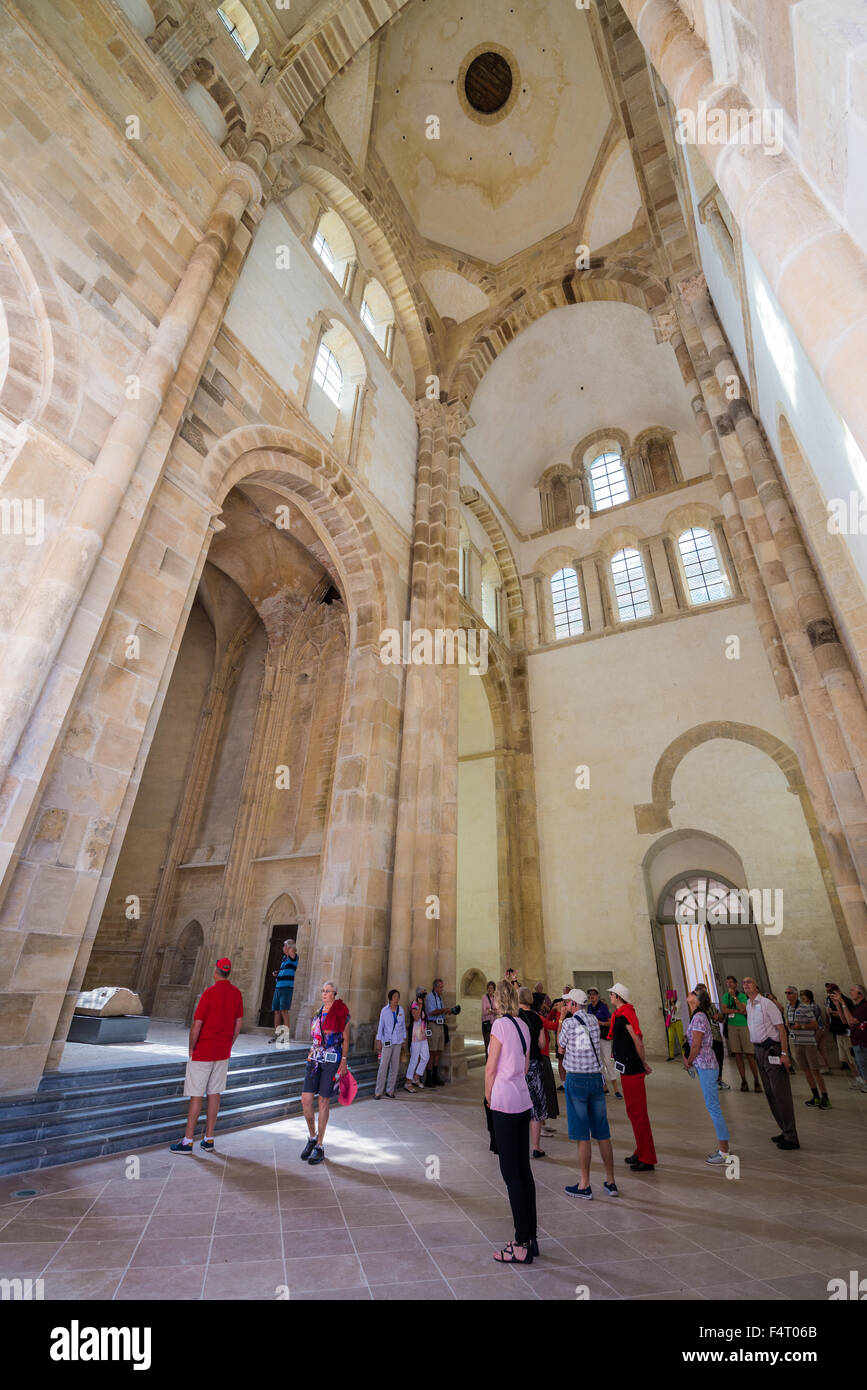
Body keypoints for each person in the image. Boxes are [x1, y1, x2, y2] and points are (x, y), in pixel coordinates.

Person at [485, 979, 537, 1265]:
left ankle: (519, 1244)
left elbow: (491, 1068)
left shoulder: (499, 1026)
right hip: (522, 1099)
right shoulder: (524, 1026)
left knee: (510, 1174)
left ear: (499, 1000)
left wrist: (487, 1097)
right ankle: (531, 1238)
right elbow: (526, 1065)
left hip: (504, 1102)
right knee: (524, 1171)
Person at [170, 957, 243, 1154]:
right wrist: (229, 1042)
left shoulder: (209, 993)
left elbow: (196, 1025)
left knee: (196, 1096)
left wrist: (191, 1048)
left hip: (203, 1051)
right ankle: (209, 1138)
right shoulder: (236, 993)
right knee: (214, 1094)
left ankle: (187, 1141)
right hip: (222, 1051)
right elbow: (238, 1022)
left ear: (215, 971)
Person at [558, 988, 618, 1198]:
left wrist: (562, 1019)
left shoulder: (569, 1023)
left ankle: (584, 1184)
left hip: (577, 1080)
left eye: (567, 1003)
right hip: (595, 1078)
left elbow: (561, 1046)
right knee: (602, 1132)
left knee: (582, 1134)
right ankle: (611, 1181)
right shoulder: (592, 1020)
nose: (565, 1006)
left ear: (574, 1005)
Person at [744, 976, 799, 1149]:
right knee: (770, 1092)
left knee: (781, 1093)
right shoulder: (748, 1005)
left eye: (749, 982)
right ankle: (784, 1130)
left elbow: (781, 1029)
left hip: (772, 1050)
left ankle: (792, 1136)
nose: (746, 985)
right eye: (744, 983)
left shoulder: (767, 1004)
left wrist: (785, 1053)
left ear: (757, 986)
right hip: (759, 1050)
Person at [300, 981, 350, 1165]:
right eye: (323, 991)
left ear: (335, 993)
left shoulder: (342, 1012)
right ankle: (312, 1137)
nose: (324, 993)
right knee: (306, 1099)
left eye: (328, 991)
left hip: (332, 1058)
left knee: (323, 1100)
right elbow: (314, 1037)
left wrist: (344, 1060)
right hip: (314, 1059)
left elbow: (345, 1039)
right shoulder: (317, 1013)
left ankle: (320, 1145)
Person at [609, 983, 657, 1172]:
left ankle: (648, 1157)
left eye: (612, 994)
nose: (610, 997)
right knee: (633, 1112)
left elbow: (638, 1041)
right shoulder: (620, 1015)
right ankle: (640, 1150)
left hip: (633, 1069)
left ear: (618, 996)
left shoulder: (627, 1014)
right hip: (626, 1069)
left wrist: (643, 1063)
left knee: (639, 1114)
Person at [683, 989, 731, 1164]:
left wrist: (688, 1060)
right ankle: (724, 1146)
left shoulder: (699, 1017)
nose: (689, 993)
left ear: (698, 1000)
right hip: (704, 1064)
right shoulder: (698, 1016)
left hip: (706, 1065)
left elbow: (696, 1045)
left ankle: (724, 1151)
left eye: (693, 993)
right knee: (713, 1106)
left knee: (713, 1107)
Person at [784, 986, 830, 1109]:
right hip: (797, 1042)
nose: (787, 995)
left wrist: (802, 1027)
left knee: (815, 1070)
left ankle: (825, 1097)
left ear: (795, 994)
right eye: (786, 993)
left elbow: (815, 1024)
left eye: (789, 993)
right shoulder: (788, 1008)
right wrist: (789, 1025)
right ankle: (815, 1096)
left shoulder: (805, 1007)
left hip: (809, 1042)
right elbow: (791, 1022)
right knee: (806, 1070)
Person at [517, 987, 548, 1158]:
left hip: (518, 1066)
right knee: (535, 1105)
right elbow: (542, 1043)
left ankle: (519, 1146)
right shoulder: (537, 1018)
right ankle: (536, 1147)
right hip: (534, 1065)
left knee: (518, 1105)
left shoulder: (514, 1017)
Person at [721, 974, 762, 1092]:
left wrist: (734, 998)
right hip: (732, 1026)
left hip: (743, 1025)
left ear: (735, 984)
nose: (729, 984)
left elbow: (744, 1010)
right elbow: (724, 1010)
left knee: (749, 1054)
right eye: (727, 982)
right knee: (737, 1054)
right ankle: (743, 1080)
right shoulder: (725, 996)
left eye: (731, 982)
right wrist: (736, 1010)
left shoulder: (742, 996)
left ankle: (756, 1079)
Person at [586, 986, 622, 1099]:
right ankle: (604, 1087)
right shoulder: (589, 1008)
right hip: (594, 1038)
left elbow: (610, 1022)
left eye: (594, 994)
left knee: (607, 1061)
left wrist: (599, 1023)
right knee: (599, 1063)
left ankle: (616, 1089)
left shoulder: (603, 1007)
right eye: (590, 994)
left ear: (597, 995)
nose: (592, 996)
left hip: (604, 1038)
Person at [830, 984, 867, 1091]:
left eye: (852, 990)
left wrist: (843, 1003)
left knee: (864, 1064)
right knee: (859, 1064)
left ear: (860, 993)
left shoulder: (864, 1006)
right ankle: (863, 1081)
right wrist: (838, 1005)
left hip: (863, 1041)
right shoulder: (856, 1007)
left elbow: (851, 1020)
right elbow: (845, 1021)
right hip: (855, 1040)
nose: (850, 992)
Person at [694, 984, 730, 1090]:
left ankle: (718, 1079)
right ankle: (711, 1081)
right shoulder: (697, 1009)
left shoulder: (712, 1006)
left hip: (716, 1036)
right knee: (709, 1061)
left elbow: (721, 1019)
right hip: (706, 1039)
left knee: (719, 1058)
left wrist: (718, 1017)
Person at [533, 990, 560, 1131]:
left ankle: (542, 1122)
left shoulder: (537, 1016)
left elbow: (546, 1022)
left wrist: (554, 1012)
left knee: (544, 1090)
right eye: (543, 1002)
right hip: (542, 1056)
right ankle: (540, 1123)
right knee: (544, 1090)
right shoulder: (538, 1017)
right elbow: (553, 1026)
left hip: (544, 1055)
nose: (545, 1004)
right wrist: (562, 1014)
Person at [424, 978, 457, 1087]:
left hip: (441, 1025)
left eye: (442, 987)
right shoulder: (430, 997)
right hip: (433, 1025)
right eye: (441, 987)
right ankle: (428, 1077)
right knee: (432, 1051)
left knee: (439, 1051)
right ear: (435, 987)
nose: (442, 989)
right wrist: (443, 1010)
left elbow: (441, 1011)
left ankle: (435, 1075)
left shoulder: (439, 997)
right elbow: (432, 1012)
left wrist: (449, 1011)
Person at [374, 988, 406, 1098]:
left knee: (395, 1066)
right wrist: (379, 1041)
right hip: (387, 1041)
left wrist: (404, 1040)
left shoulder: (401, 1010)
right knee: (383, 1066)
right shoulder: (384, 1011)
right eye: (395, 997)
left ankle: (390, 1090)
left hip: (398, 1041)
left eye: (398, 997)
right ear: (390, 998)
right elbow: (380, 1027)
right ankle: (378, 1091)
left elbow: (402, 1027)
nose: (397, 999)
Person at [268, 938, 298, 1043]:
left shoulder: (294, 957)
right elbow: (284, 971)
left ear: (289, 947)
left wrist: (290, 946)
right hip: (278, 987)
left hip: (286, 988)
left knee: (284, 1011)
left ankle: (285, 1036)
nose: (283, 948)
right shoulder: (284, 958)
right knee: (276, 1011)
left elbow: (292, 951)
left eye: (285, 946)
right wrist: (277, 973)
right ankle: (277, 1035)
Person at [825, 982, 855, 1071]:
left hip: (846, 1031)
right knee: (844, 1057)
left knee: (851, 1057)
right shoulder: (830, 1001)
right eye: (827, 991)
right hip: (837, 1030)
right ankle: (857, 1078)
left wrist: (836, 1012)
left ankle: (861, 1079)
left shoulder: (847, 1001)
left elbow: (848, 1017)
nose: (829, 994)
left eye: (831, 991)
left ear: (837, 991)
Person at [405, 988, 429, 1092]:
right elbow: (416, 1017)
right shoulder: (414, 1004)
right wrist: (419, 1005)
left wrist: (422, 1005)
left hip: (423, 1036)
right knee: (414, 1059)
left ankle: (416, 1077)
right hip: (415, 1036)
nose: (423, 996)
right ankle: (408, 1082)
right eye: (422, 994)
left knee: (425, 1057)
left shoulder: (423, 1005)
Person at [481, 980, 497, 1056]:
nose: (490, 989)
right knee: (487, 1044)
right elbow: (484, 1012)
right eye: (489, 988)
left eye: (491, 988)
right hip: (486, 1023)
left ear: (494, 990)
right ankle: (488, 1063)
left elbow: (498, 1011)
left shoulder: (495, 998)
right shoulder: (484, 997)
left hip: (494, 1024)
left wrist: (490, 1010)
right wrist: (493, 1011)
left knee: (493, 1045)